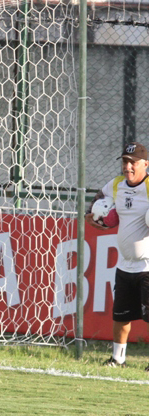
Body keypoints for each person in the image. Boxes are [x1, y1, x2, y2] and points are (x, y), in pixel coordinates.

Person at [85, 142, 149, 369]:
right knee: (121, 316)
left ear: (145, 164)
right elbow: (99, 198)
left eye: (133, 163)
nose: (127, 167)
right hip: (124, 265)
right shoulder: (116, 185)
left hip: (147, 267)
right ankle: (118, 359)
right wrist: (91, 214)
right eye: (125, 162)